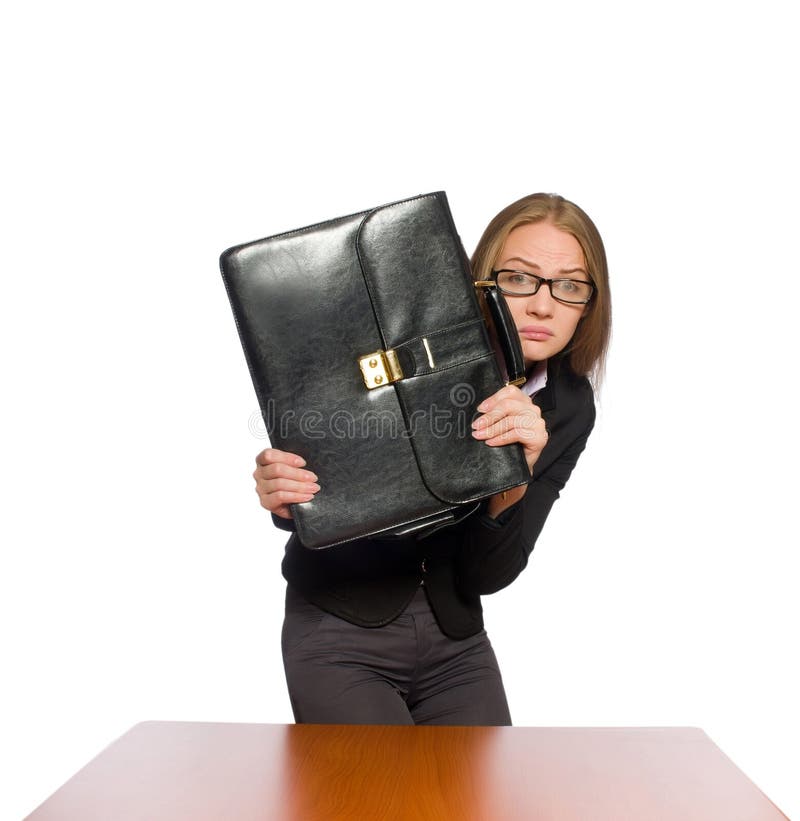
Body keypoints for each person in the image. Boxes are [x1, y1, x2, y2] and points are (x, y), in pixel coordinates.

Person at [253, 193, 611, 725]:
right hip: (341, 625)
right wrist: (290, 496)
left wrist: (517, 472)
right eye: (519, 278)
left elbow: (490, 574)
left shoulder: (569, 406)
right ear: (478, 282)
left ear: (589, 304)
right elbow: (332, 469)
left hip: (456, 638)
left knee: (488, 805)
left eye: (570, 286)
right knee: (380, 806)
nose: (543, 305)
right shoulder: (405, 347)